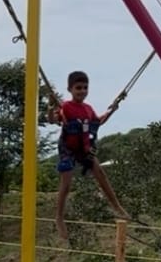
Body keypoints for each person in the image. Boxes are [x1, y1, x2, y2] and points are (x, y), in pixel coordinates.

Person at [49, 71, 127, 242]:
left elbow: (98, 121)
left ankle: (116, 206)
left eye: (85, 88)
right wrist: (51, 108)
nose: (82, 91)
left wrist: (112, 109)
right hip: (68, 148)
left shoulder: (88, 109)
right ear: (70, 89)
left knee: (101, 173)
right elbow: (54, 119)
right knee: (67, 184)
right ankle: (59, 217)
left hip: (84, 148)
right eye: (78, 88)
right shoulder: (66, 107)